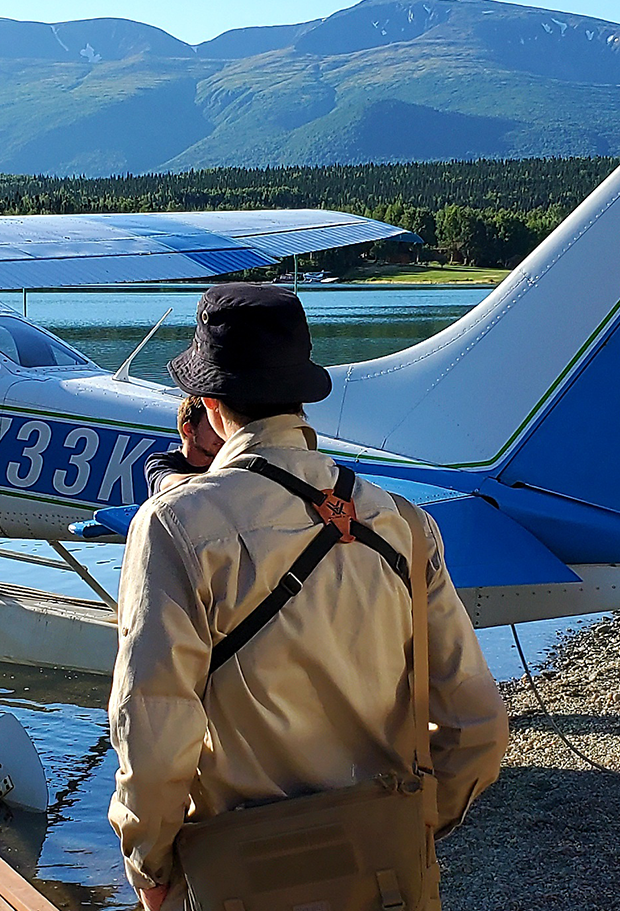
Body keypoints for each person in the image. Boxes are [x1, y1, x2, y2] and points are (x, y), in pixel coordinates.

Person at [108, 283, 509, 911]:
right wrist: (418, 822)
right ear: (301, 397)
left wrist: (149, 860)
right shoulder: (402, 522)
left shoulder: (174, 524)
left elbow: (154, 722)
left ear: (210, 403)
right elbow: (478, 725)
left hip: (238, 872)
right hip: (384, 874)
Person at [145, 394, 223, 497]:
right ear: (189, 430)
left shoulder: (226, 460)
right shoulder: (161, 462)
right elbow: (168, 484)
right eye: (213, 427)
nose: (221, 434)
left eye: (222, 427)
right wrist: (224, 482)